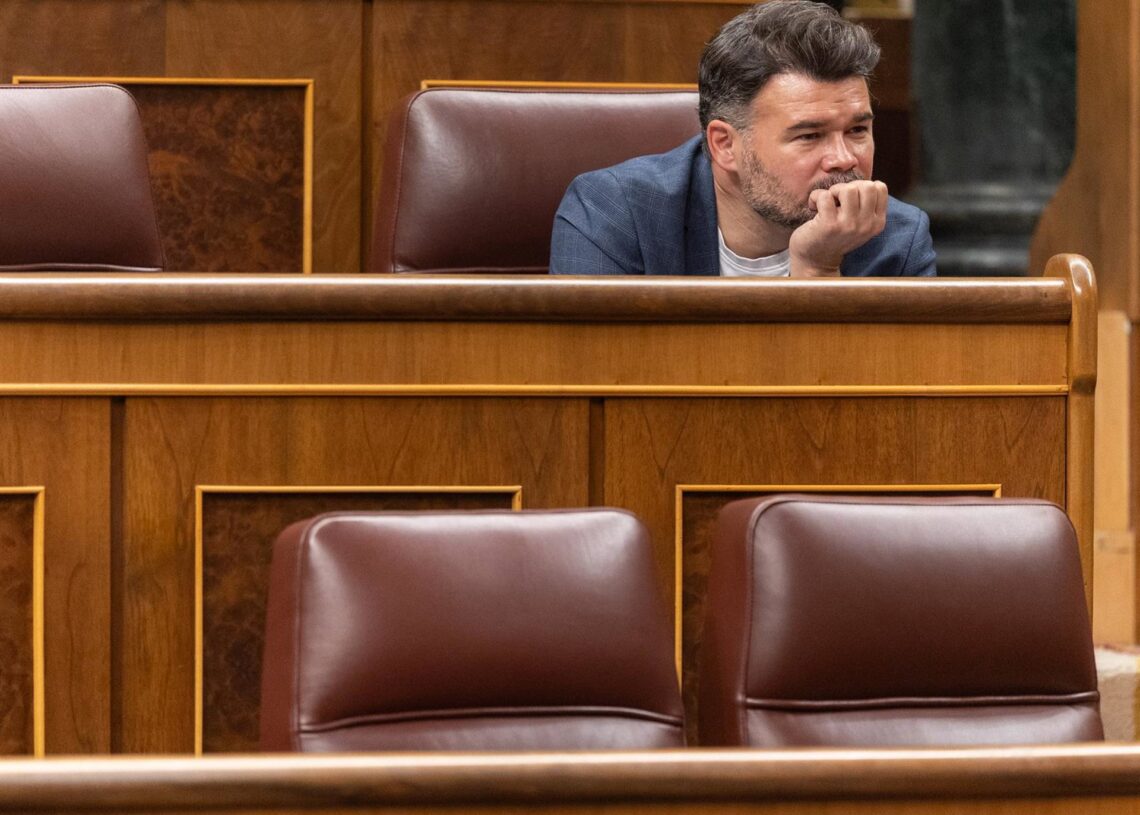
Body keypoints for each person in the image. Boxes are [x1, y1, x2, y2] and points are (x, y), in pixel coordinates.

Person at [549, 0, 936, 278]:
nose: (843, 159)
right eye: (809, 135)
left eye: (857, 130)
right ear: (724, 145)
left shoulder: (895, 240)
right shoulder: (615, 214)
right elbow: (602, 381)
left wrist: (817, 269)